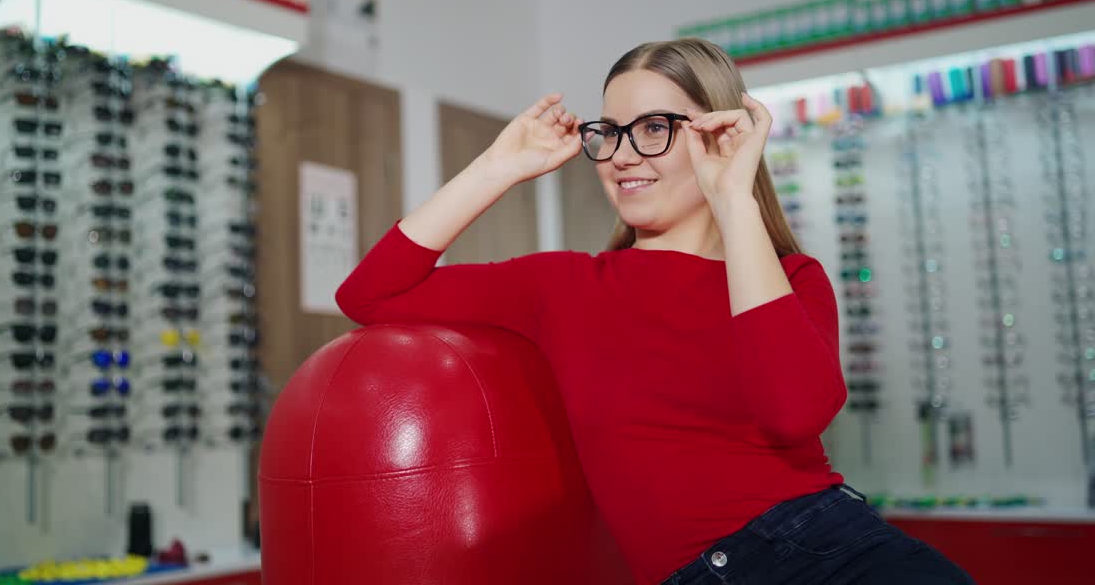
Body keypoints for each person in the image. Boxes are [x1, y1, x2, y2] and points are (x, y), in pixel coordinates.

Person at [335, 39, 973, 585]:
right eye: (608, 133)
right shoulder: (564, 284)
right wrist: (499, 167)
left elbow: (794, 411)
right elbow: (369, 294)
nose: (621, 154)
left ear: (718, 133)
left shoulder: (791, 278)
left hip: (828, 549)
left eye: (654, 128)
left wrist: (733, 199)